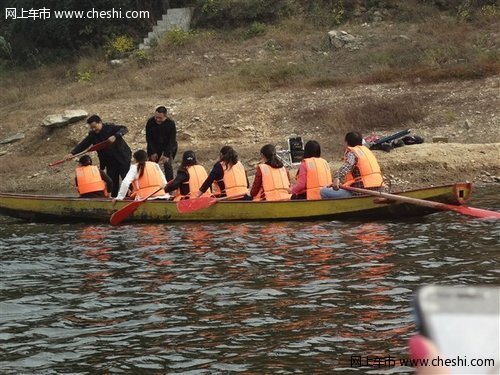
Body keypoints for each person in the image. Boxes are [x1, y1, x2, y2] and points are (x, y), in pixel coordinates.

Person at [66, 114, 132, 198]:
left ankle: (129, 197)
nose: (93, 129)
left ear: (100, 122)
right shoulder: (92, 135)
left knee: (125, 179)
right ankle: (113, 198)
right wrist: (72, 153)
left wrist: (115, 136)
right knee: (112, 181)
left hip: (123, 157)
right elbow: (83, 144)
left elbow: (124, 129)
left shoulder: (110, 127)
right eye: (91, 128)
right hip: (109, 161)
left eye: (94, 127)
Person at [320, 131, 383, 199]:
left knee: (323, 191)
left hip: (361, 191)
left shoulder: (352, 152)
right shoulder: (367, 151)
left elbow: (348, 165)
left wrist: (337, 177)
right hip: (379, 189)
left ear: (347, 143)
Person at [145, 106, 177, 182]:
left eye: (160, 118)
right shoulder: (150, 122)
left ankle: (170, 185)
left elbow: (172, 140)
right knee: (151, 165)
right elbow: (149, 138)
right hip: (154, 145)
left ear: (165, 116)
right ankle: (152, 182)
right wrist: (153, 152)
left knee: (167, 164)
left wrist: (166, 154)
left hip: (167, 145)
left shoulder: (171, 123)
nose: (157, 120)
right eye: (156, 117)